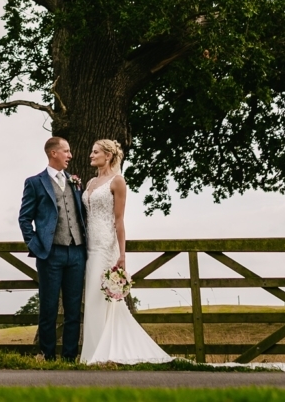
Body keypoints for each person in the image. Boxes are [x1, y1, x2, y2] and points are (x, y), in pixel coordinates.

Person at [79, 139, 172, 364]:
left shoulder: (118, 181)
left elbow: (119, 220)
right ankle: (94, 352)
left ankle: (103, 354)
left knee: (98, 296)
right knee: (90, 299)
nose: (91, 155)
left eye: (95, 152)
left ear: (108, 156)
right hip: (87, 245)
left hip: (105, 244)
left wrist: (122, 255)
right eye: (92, 152)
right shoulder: (90, 181)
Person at [18, 136, 86, 360]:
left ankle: (69, 357)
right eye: (66, 151)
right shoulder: (35, 182)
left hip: (76, 252)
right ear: (53, 153)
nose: (70, 155)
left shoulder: (75, 181)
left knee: (73, 309)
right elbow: (24, 218)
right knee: (48, 308)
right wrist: (36, 245)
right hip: (50, 253)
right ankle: (47, 356)